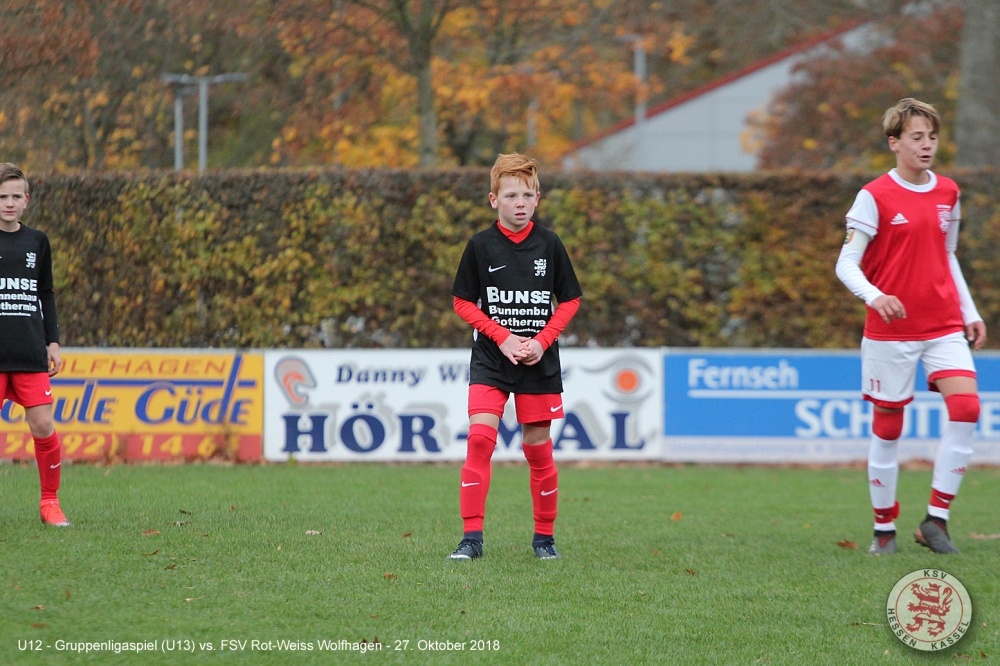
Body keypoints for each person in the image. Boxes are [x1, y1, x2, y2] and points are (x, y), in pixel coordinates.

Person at [835, 99, 985, 555]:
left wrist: (970, 311)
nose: (926, 145)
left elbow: (948, 255)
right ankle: (884, 529)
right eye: (916, 137)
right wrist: (875, 296)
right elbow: (846, 263)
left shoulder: (948, 192)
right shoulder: (874, 195)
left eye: (932, 137)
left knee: (967, 409)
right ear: (894, 143)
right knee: (888, 429)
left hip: (943, 324)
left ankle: (935, 521)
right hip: (891, 332)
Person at [447, 153, 582, 560]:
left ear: (537, 198)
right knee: (479, 440)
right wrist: (503, 337)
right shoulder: (480, 245)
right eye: (510, 196)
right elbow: (462, 301)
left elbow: (570, 300)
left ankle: (545, 540)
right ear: (494, 200)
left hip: (538, 362)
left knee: (538, 450)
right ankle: (471, 539)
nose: (519, 203)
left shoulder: (550, 244)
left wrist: (542, 341)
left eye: (527, 195)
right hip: (492, 357)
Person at [0, 163, 70, 526]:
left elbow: (46, 292)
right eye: (2, 197)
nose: (9, 203)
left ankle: (50, 502)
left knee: (43, 425)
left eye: (16, 196)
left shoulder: (37, 241)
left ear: (26, 200)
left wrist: (52, 341)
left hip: (29, 351)